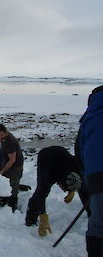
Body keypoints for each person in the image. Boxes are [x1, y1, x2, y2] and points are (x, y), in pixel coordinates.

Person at [25, 146, 82, 237]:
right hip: (45, 157)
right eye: (63, 188)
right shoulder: (49, 176)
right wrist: (43, 216)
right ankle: (30, 220)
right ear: (60, 181)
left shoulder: (77, 167)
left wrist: (72, 190)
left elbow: (80, 181)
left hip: (61, 155)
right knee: (41, 191)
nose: (62, 190)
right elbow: (41, 195)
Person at [77, 86, 103, 256]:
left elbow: (80, 153)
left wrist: (87, 185)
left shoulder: (90, 117)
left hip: (97, 178)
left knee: (98, 226)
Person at [0, 124, 24, 211]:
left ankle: (13, 204)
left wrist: (2, 171)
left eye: (1, 134)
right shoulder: (3, 137)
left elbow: (12, 160)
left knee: (13, 182)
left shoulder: (10, 142)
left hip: (16, 164)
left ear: (6, 132)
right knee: (4, 179)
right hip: (7, 161)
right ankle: (4, 199)